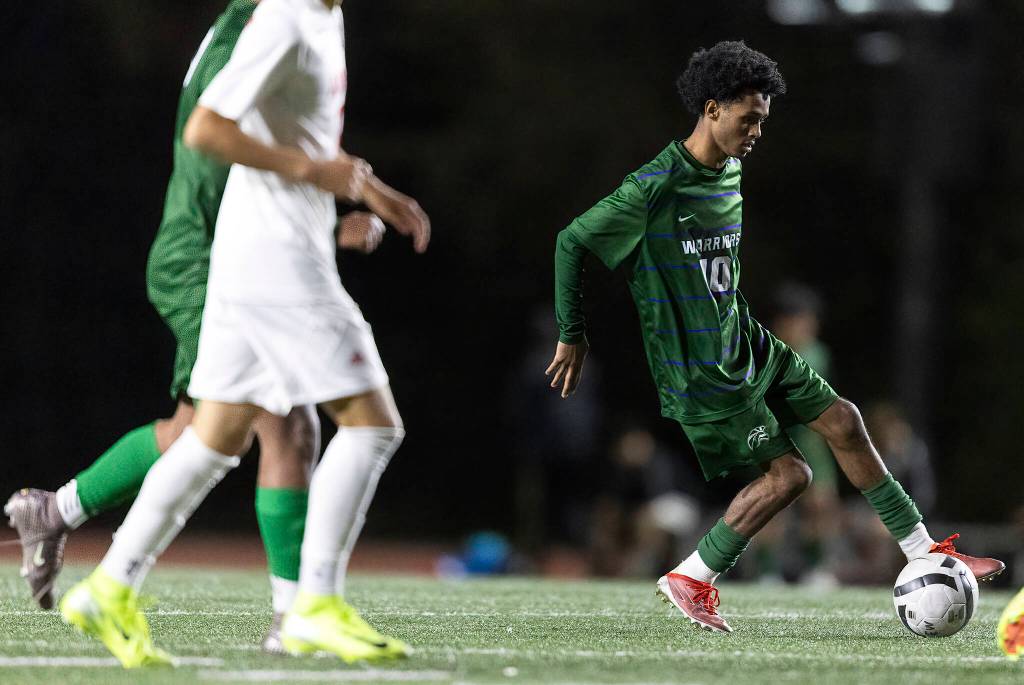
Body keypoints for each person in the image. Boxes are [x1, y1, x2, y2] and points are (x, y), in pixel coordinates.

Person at [545, 40, 1004, 633]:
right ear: (711, 109)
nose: (759, 129)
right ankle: (690, 576)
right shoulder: (654, 186)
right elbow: (572, 241)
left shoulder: (731, 169)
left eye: (764, 118)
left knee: (844, 419)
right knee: (791, 475)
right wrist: (572, 334)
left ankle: (925, 552)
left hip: (746, 343)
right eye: (750, 117)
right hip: (701, 367)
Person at [57, 0, 430, 667]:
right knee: (374, 424)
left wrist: (365, 185)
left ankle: (109, 585)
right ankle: (313, 604)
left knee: (214, 436)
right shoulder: (284, 17)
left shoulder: (322, 15)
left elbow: (292, 129)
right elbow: (208, 129)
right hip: (276, 258)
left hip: (247, 257)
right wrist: (317, 178)